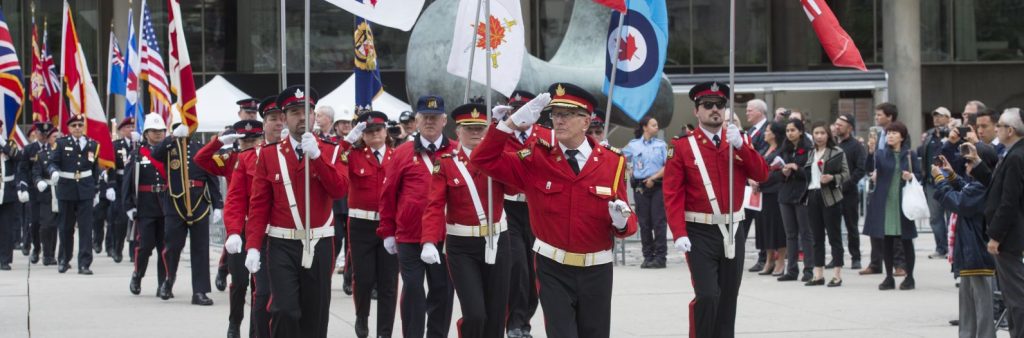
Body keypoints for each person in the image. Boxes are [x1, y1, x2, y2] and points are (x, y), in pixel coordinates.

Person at [472, 82, 637, 338]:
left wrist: (620, 222)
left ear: (586, 121)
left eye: (567, 114)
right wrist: (509, 125)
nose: (558, 120)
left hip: (597, 269)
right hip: (553, 267)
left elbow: (629, 221)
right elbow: (483, 160)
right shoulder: (537, 158)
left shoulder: (612, 162)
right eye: (555, 114)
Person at [663, 81, 768, 338]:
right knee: (708, 295)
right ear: (696, 110)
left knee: (728, 297)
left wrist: (743, 147)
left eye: (720, 105)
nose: (714, 110)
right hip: (699, 231)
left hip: (734, 229)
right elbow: (673, 194)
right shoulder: (682, 146)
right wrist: (679, 233)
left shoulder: (738, 140)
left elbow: (762, 174)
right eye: (707, 105)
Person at [245, 85, 348, 337]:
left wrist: (317, 157)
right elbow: (259, 205)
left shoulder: (332, 150)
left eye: (307, 111)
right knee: (283, 310)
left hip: (320, 242)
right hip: (282, 244)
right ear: (283, 118)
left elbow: (339, 189)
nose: (301, 117)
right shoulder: (270, 155)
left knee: (316, 315)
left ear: (314, 115)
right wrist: (253, 246)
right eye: (294, 112)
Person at [420, 103, 511, 338]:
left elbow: (515, 187)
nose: (475, 133)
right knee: (475, 314)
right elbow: (434, 205)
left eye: (480, 128)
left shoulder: (498, 159)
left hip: (498, 241)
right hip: (462, 247)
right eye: (469, 128)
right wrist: (429, 240)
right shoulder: (446, 163)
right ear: (457, 131)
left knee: (496, 312)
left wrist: (503, 136)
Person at [379, 95, 456, 338]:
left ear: (444, 120)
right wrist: (387, 231)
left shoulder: (455, 151)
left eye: (435, 118)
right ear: (417, 120)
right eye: (425, 117)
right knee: (412, 289)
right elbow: (388, 194)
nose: (430, 122)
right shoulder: (402, 153)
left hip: (444, 237)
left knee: (442, 291)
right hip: (409, 236)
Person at [198, 119, 263, 336]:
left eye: (253, 140)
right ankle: (235, 322)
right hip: (240, 224)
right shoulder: (231, 157)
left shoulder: (267, 157)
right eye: (244, 141)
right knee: (240, 282)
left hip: (263, 226)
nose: (249, 145)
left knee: (261, 286)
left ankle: (256, 328)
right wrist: (218, 142)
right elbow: (201, 159)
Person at [337, 111, 399, 338]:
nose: (374, 134)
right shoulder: (354, 155)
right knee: (363, 278)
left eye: (378, 130)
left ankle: (385, 332)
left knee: (388, 282)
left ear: (385, 132)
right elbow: (332, 157)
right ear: (362, 135)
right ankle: (361, 316)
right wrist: (347, 140)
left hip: (390, 225)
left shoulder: (396, 156)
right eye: (368, 131)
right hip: (361, 224)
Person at [229, 96, 284, 338]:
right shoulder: (248, 157)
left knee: (289, 298)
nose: (279, 124)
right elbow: (235, 198)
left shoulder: (303, 153)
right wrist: (233, 230)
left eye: (283, 118)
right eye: (273, 119)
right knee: (263, 293)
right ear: (264, 123)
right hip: (260, 234)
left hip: (292, 235)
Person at [498, 90, 551, 338]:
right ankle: (516, 323)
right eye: (514, 111)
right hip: (510, 208)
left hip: (537, 207)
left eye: (523, 109)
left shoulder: (545, 137)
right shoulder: (502, 135)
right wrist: (496, 128)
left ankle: (525, 316)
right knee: (517, 265)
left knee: (534, 268)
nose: (518, 115)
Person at [151, 122, 222, 305]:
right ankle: (168, 279)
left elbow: (212, 177)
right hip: (175, 201)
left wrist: (218, 204)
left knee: (200, 248)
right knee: (172, 246)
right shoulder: (169, 147)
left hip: (199, 202)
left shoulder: (201, 149)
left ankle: (199, 291)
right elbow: (154, 154)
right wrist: (172, 138)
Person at [931, 148, 996, 338]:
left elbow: (959, 202)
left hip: (977, 252)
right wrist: (951, 175)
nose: (966, 165)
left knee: (982, 306)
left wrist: (940, 180)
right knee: (968, 303)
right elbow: (965, 190)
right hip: (970, 251)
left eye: (969, 162)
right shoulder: (980, 183)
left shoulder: (983, 185)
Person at [981, 108, 1024, 338]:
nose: (996, 129)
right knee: (1012, 294)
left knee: (1016, 295)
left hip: (1010, 236)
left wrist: (996, 235)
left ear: (1010, 130)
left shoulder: (1017, 156)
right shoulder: (1011, 153)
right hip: (1011, 233)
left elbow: (1009, 201)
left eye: (999, 126)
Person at [864, 121, 918, 291]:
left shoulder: (909, 154)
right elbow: (869, 169)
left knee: (906, 240)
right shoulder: (880, 154)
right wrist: (870, 153)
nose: (890, 136)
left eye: (894, 133)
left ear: (902, 136)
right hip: (885, 202)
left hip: (903, 202)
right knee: (886, 240)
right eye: (888, 133)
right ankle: (888, 276)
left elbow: (920, 176)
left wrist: (911, 176)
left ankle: (910, 277)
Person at [123, 113, 171, 296]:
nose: (158, 134)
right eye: (154, 131)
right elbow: (127, 183)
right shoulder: (137, 154)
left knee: (164, 248)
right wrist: (128, 206)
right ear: (146, 133)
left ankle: (163, 284)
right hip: (145, 206)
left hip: (165, 205)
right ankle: (138, 274)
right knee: (145, 246)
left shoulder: (168, 152)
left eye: (161, 131)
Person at [47, 114, 100, 275]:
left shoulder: (92, 144)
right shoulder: (61, 144)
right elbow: (52, 162)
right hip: (66, 189)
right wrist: (53, 171)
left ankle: (84, 263)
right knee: (65, 228)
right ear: (68, 128)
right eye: (74, 125)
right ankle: (64, 259)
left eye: (79, 125)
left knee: (86, 228)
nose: (77, 128)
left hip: (85, 190)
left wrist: (96, 189)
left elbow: (94, 170)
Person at [798, 122, 849, 287]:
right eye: (816, 133)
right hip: (812, 194)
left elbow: (846, 174)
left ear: (828, 135)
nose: (819, 136)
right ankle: (818, 274)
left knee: (834, 236)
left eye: (822, 133)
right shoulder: (811, 152)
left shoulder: (836, 151)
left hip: (830, 196)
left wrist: (832, 178)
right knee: (816, 237)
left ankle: (837, 274)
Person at [861, 102, 906, 277]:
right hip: (877, 185)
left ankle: (899, 263)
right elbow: (872, 161)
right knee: (876, 225)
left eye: (880, 115)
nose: (877, 117)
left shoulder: (901, 134)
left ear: (890, 116)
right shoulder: (878, 134)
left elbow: (902, 157)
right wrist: (871, 153)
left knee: (895, 228)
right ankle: (875, 262)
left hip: (893, 186)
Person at [623, 116, 668, 269]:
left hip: (657, 186)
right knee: (644, 223)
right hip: (640, 187)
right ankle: (648, 256)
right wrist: (629, 170)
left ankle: (661, 257)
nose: (657, 127)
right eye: (654, 125)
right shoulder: (633, 145)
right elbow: (619, 158)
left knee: (659, 222)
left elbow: (668, 166)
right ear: (645, 127)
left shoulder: (661, 145)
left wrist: (653, 178)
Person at [777, 119, 813, 282]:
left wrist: (796, 168)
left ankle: (809, 269)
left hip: (802, 194)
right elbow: (777, 173)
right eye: (787, 130)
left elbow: (810, 174)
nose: (789, 133)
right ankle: (791, 269)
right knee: (790, 234)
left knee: (805, 232)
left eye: (793, 130)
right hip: (786, 194)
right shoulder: (785, 149)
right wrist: (783, 172)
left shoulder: (808, 149)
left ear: (800, 131)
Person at [833, 114, 867, 269]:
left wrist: (846, 184)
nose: (837, 126)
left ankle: (856, 257)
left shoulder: (856, 146)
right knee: (833, 227)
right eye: (836, 124)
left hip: (848, 193)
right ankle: (836, 258)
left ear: (850, 128)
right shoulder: (831, 144)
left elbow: (860, 169)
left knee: (851, 226)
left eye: (841, 124)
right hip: (831, 192)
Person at [755, 122, 788, 276]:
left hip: (775, 193)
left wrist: (760, 180)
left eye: (767, 131)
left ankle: (780, 260)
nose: (764, 133)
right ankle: (769, 259)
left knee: (777, 227)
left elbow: (778, 173)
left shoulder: (782, 150)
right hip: (762, 193)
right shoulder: (764, 150)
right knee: (765, 227)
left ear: (774, 134)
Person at [920, 107, 952, 260]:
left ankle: (952, 248)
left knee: (951, 215)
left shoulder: (954, 135)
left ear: (948, 118)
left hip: (950, 181)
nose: (937, 119)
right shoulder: (929, 136)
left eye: (941, 116)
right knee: (935, 217)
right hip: (932, 182)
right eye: (935, 116)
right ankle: (941, 248)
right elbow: (923, 154)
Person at [23, 122, 52, 265]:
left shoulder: (54, 149)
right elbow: (23, 169)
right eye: (41, 134)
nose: (44, 137)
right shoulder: (29, 149)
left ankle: (49, 253)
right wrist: (23, 186)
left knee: (49, 223)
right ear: (37, 133)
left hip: (49, 191)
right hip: (34, 191)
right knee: (34, 222)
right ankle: (36, 247)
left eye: (47, 134)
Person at [0, 122, 27, 270]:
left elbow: (18, 157)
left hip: (7, 191)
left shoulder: (9, 143)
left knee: (6, 228)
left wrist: (4, 145)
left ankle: (4, 259)